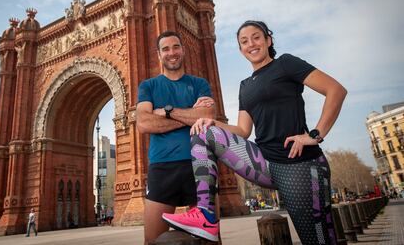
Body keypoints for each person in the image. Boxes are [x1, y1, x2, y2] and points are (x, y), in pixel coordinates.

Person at [162, 20, 347, 244]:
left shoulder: (286, 64)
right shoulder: (245, 85)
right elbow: (242, 130)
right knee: (201, 133)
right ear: (240, 49)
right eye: (244, 41)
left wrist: (315, 135)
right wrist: (209, 123)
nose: (251, 44)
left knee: (317, 239)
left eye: (256, 37)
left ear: (268, 40)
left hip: (299, 164)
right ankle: (206, 215)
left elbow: (335, 90)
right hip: (264, 163)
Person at [136, 31, 215, 244]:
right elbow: (143, 123)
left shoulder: (199, 84)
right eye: (166, 49)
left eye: (176, 47)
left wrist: (167, 111)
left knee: (208, 240)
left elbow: (207, 115)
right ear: (158, 54)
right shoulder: (148, 86)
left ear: (183, 49)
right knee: (153, 241)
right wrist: (190, 115)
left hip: (199, 165)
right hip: (162, 168)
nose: (172, 53)